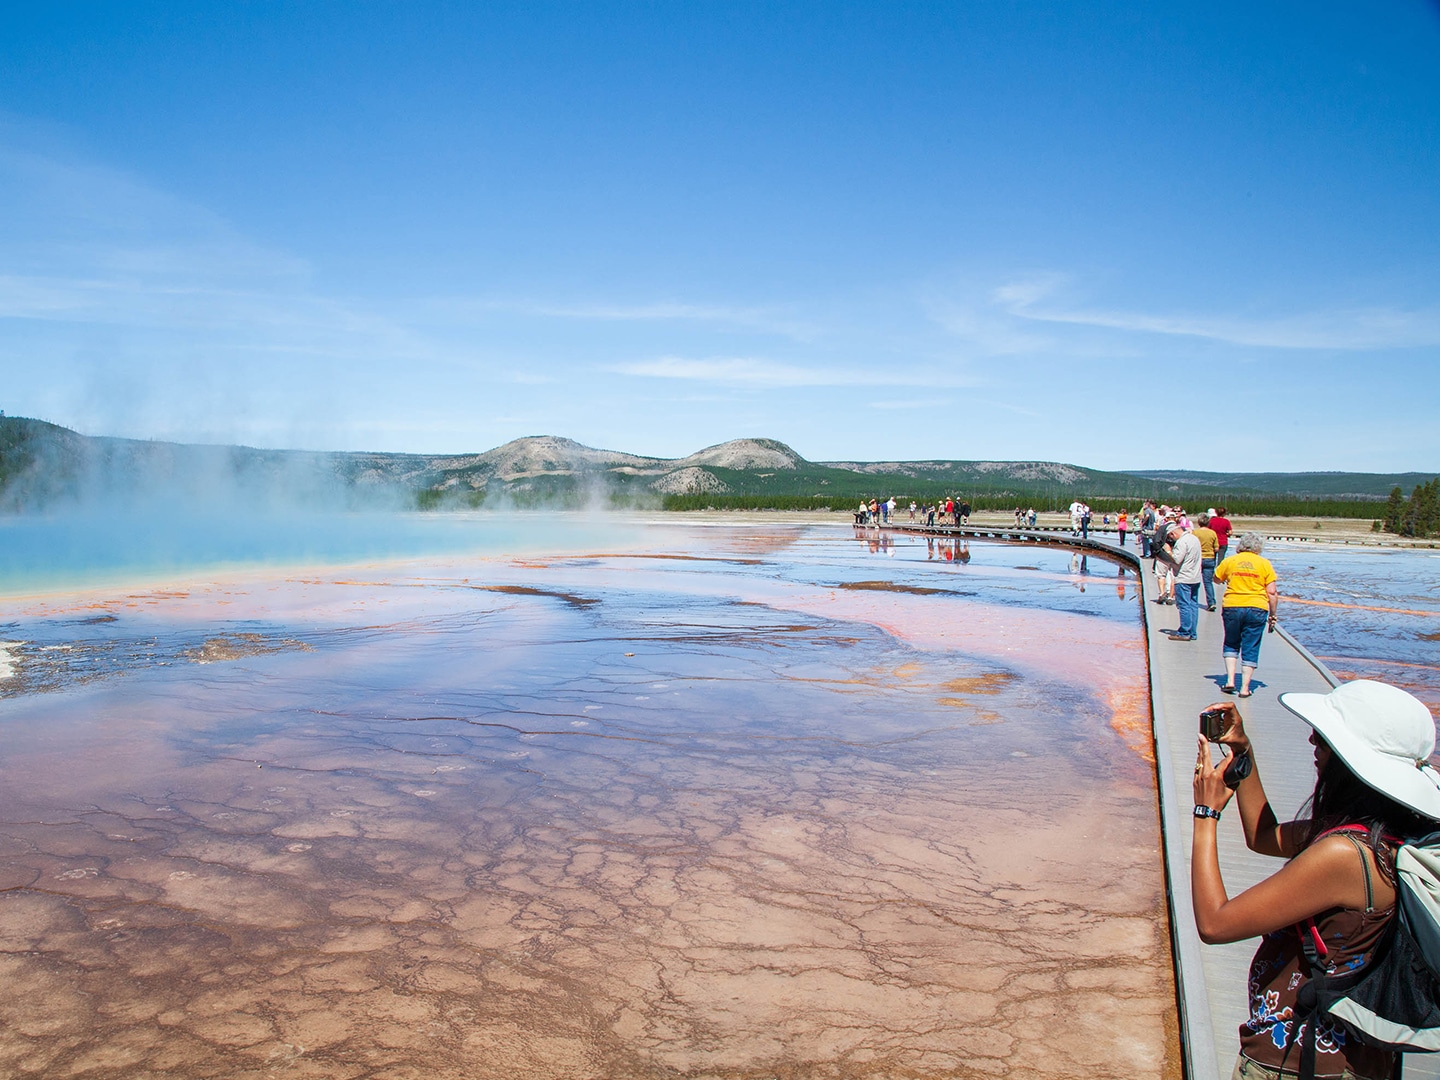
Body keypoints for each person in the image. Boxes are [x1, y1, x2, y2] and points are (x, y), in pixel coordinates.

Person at [1191, 680, 1440, 1080]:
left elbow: (1214, 924)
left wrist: (1205, 814)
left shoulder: (1344, 855)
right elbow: (1263, 836)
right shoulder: (1381, 834)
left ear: (1349, 759)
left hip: (1298, 1061)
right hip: (1351, 1058)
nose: (1311, 739)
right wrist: (1243, 751)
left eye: (1323, 738)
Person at [1214, 532, 1278, 697]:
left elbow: (1216, 579)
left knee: (1231, 642)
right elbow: (1272, 592)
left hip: (1233, 605)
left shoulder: (1230, 561)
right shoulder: (1264, 564)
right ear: (1258, 547)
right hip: (1257, 607)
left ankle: (1229, 681)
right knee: (1251, 646)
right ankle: (1244, 688)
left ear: (1241, 546)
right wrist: (1273, 614)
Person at [1157, 521, 1202, 639]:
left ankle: (1184, 632)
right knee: (1193, 605)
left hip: (1183, 577)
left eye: (1170, 538)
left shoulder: (1182, 542)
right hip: (1195, 577)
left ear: (1172, 534)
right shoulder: (1194, 538)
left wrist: (1168, 550)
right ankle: (1192, 632)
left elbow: (1176, 559)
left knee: (1184, 606)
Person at [1193, 513, 1220, 611]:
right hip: (1210, 558)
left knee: (1195, 580)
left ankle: (1193, 600)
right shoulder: (1212, 533)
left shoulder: (1195, 533)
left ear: (1199, 522)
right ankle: (1211, 602)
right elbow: (1217, 548)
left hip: (1198, 559)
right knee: (1208, 582)